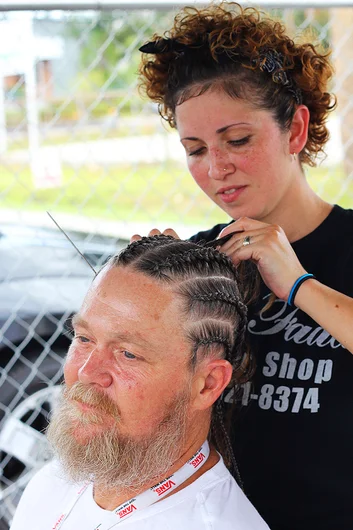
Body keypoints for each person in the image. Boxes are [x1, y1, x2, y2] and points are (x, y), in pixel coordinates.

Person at [137, 3, 353, 530]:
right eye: (194, 149)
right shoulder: (205, 260)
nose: (216, 168)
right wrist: (146, 298)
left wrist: (298, 283)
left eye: (237, 140)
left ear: (296, 130)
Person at [10, 236, 269, 530]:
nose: (86, 372)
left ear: (207, 384)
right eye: (83, 338)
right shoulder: (53, 483)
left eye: (128, 354)